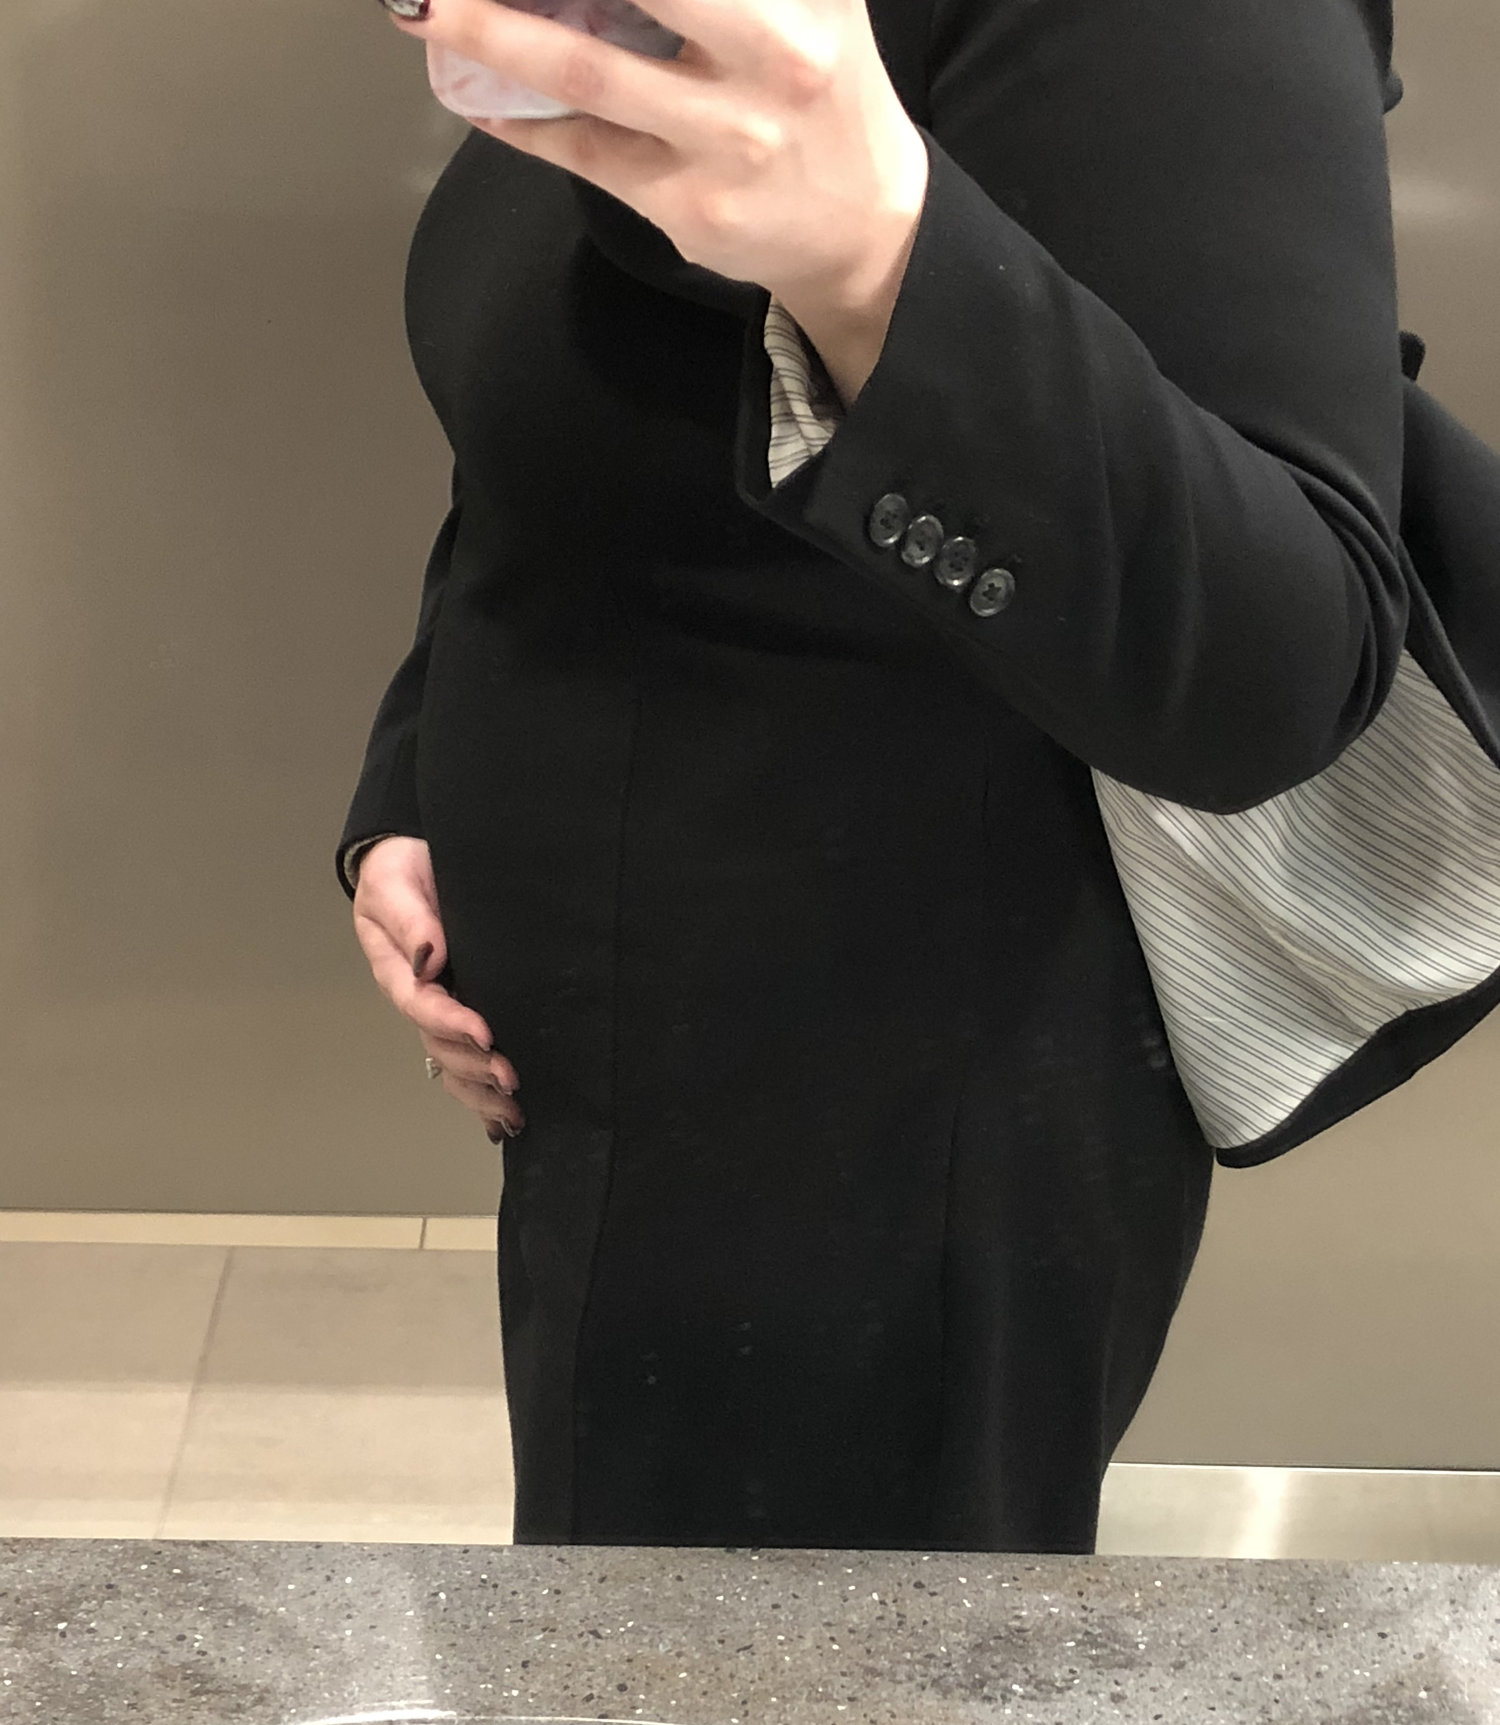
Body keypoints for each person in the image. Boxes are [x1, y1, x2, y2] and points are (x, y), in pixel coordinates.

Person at [337, 0, 1410, 1551]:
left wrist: (876, 260)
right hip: (615, 1085)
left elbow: (1277, 673)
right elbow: (571, 442)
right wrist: (413, 781)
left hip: (891, 1147)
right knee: (632, 1634)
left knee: (798, 1693)